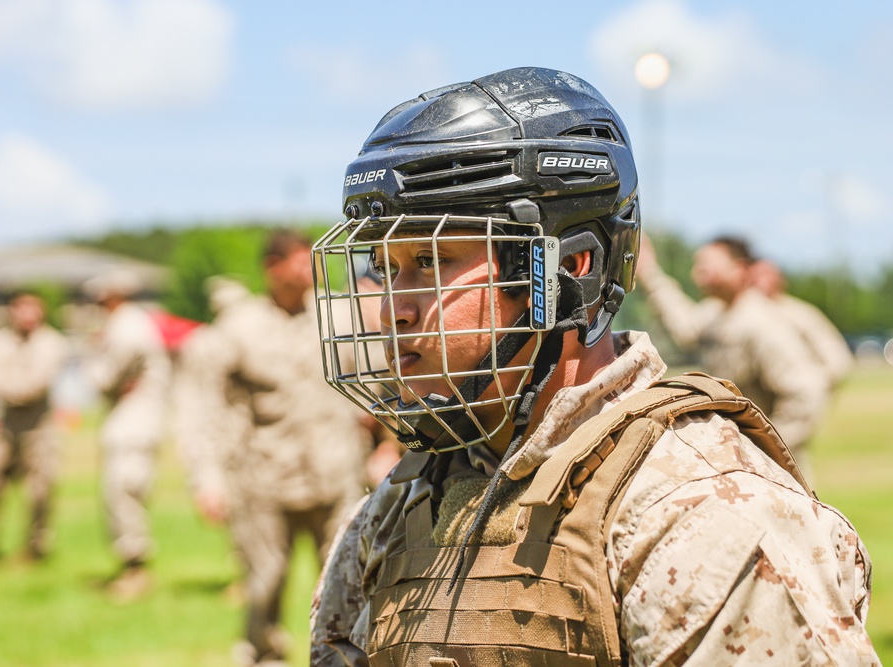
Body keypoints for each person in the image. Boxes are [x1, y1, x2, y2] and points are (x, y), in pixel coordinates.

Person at [309, 67, 878, 665]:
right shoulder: (403, 501)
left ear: (570, 268)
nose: (391, 309)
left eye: (432, 261)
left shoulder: (700, 510)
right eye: (386, 267)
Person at [175, 233, 370, 667]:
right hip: (264, 477)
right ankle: (264, 656)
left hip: (336, 472)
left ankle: (347, 659)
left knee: (351, 578)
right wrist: (206, 478)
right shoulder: (237, 328)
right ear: (272, 268)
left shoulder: (337, 314)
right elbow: (204, 407)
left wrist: (384, 445)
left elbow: (378, 383)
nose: (308, 272)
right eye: (298, 264)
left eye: (310, 263)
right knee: (265, 582)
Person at [636, 234, 831, 478]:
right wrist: (650, 273)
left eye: (708, 264)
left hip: (771, 472)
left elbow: (806, 393)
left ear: (739, 270)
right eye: (698, 265)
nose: (699, 272)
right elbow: (684, 324)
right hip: (737, 463)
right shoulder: (717, 313)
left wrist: (763, 450)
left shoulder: (761, 323)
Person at [83, 268, 170, 601]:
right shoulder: (128, 323)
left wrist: (93, 363)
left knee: (124, 490)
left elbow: (104, 379)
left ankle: (136, 570)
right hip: (130, 418)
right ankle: (130, 566)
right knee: (120, 491)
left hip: (134, 421)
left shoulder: (127, 326)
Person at [0, 290, 69, 563]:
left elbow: (40, 382)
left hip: (39, 426)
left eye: (34, 308)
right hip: (5, 426)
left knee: (40, 490)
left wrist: (12, 390)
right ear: (12, 311)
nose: (28, 314)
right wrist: (14, 390)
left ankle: (35, 548)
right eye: (22, 308)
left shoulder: (52, 342)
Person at [750, 257, 854, 391]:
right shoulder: (729, 314)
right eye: (753, 276)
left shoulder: (801, 314)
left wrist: (810, 384)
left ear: (781, 280)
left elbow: (837, 359)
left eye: (764, 275)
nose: (758, 281)